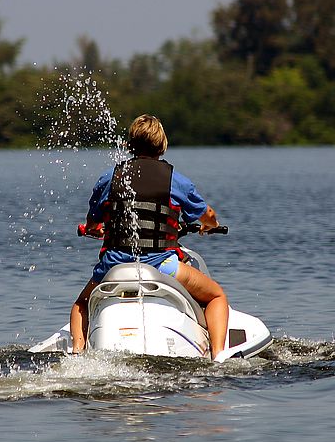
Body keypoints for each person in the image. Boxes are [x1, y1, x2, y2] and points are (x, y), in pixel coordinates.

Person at [70, 114, 229, 360]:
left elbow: (93, 221)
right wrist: (211, 225)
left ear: (130, 144)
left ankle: (77, 354)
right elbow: (206, 214)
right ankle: (218, 358)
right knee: (217, 295)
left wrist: (93, 229)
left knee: (81, 304)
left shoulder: (110, 178)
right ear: (161, 144)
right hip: (162, 265)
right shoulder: (176, 180)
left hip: (114, 266)